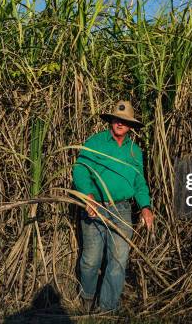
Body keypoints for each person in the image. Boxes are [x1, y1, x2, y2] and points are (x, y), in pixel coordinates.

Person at [72, 100, 154, 313]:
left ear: (130, 126)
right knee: (91, 259)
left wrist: (145, 207)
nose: (120, 123)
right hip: (95, 207)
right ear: (111, 120)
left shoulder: (135, 151)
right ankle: (87, 299)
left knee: (118, 261)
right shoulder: (96, 142)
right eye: (117, 119)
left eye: (125, 121)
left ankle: (107, 308)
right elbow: (80, 169)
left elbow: (139, 182)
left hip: (123, 210)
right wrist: (87, 196)